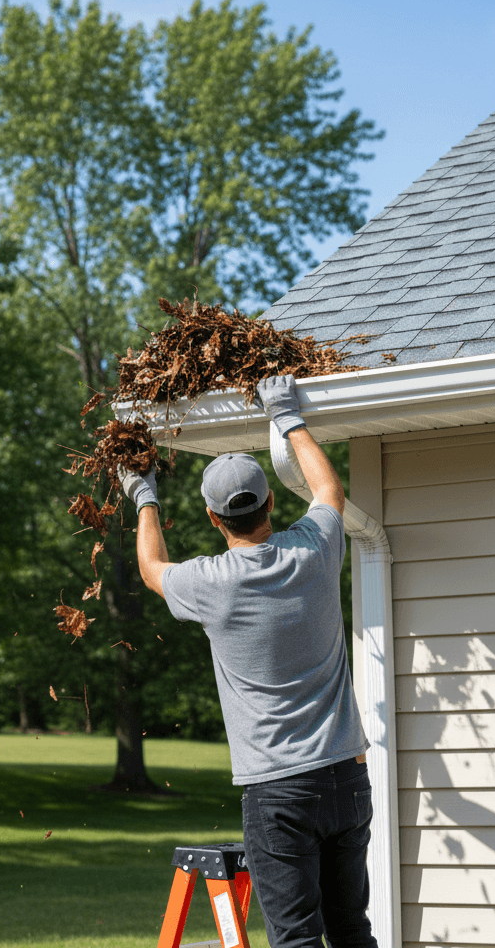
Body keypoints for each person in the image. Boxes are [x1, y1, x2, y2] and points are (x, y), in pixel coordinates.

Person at [120, 374, 378, 948]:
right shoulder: (312, 552)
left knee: (295, 939)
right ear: (267, 503)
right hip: (347, 778)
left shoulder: (211, 584)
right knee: (352, 930)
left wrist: (144, 495)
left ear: (215, 519)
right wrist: (286, 414)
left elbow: (151, 569)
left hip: (279, 793)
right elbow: (328, 492)